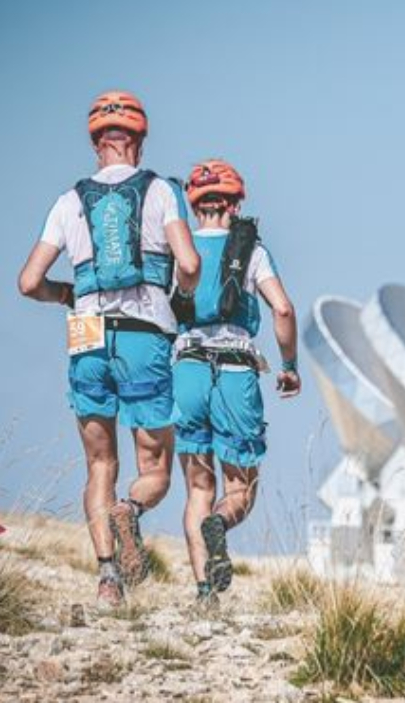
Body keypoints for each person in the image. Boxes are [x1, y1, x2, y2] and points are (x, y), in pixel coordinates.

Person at [17, 90, 201, 606]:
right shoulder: (161, 191)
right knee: (155, 469)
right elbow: (188, 265)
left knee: (100, 465)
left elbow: (28, 282)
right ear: (139, 142)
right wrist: (181, 295)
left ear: (96, 143)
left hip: (87, 334)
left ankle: (107, 581)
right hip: (144, 331)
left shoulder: (69, 202)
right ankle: (130, 511)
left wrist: (65, 295)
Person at [173, 159, 300, 606]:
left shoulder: (178, 249)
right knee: (240, 490)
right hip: (234, 371)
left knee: (198, 489)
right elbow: (282, 309)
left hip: (187, 369)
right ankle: (221, 524)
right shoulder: (251, 251)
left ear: (195, 206)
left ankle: (204, 592)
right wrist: (289, 365)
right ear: (236, 204)